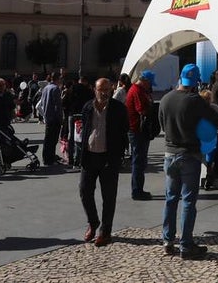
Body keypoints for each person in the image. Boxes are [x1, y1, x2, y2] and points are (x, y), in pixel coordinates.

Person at [158, 64, 218, 259]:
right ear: (195, 82)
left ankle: (167, 241)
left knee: (170, 199)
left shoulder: (165, 99)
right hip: (189, 154)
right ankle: (186, 245)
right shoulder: (195, 100)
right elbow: (216, 121)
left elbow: (162, 125)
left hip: (169, 154)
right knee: (187, 201)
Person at [76, 77, 129, 247]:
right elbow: (84, 131)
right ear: (95, 90)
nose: (104, 93)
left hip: (109, 157)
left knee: (109, 196)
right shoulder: (87, 107)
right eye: (101, 90)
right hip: (90, 156)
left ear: (112, 90)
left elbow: (123, 132)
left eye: (107, 89)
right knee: (84, 191)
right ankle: (93, 222)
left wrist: (118, 154)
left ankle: (105, 231)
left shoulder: (118, 109)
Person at [125, 70, 156, 200]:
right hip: (137, 130)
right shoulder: (137, 91)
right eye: (149, 83)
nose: (150, 86)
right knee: (138, 161)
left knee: (140, 160)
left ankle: (138, 189)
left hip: (137, 130)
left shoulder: (137, 90)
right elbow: (142, 110)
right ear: (144, 81)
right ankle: (137, 190)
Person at [35, 71, 63, 164]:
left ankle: (46, 158)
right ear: (58, 79)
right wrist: (60, 118)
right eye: (60, 78)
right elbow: (57, 106)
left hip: (47, 117)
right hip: (54, 119)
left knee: (47, 140)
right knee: (53, 140)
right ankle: (50, 159)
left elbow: (42, 103)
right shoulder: (56, 89)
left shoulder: (46, 88)